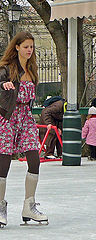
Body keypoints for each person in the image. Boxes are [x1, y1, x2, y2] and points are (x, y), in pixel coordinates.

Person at [0, 32, 48, 227]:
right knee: (4, 162)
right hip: (8, 117)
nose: (30, 50)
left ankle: (29, 206)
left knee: (34, 159)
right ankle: (0, 207)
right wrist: (4, 84)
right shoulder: (6, 69)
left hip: (25, 118)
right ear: (17, 47)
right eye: (26, 46)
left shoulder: (32, 70)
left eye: (32, 47)